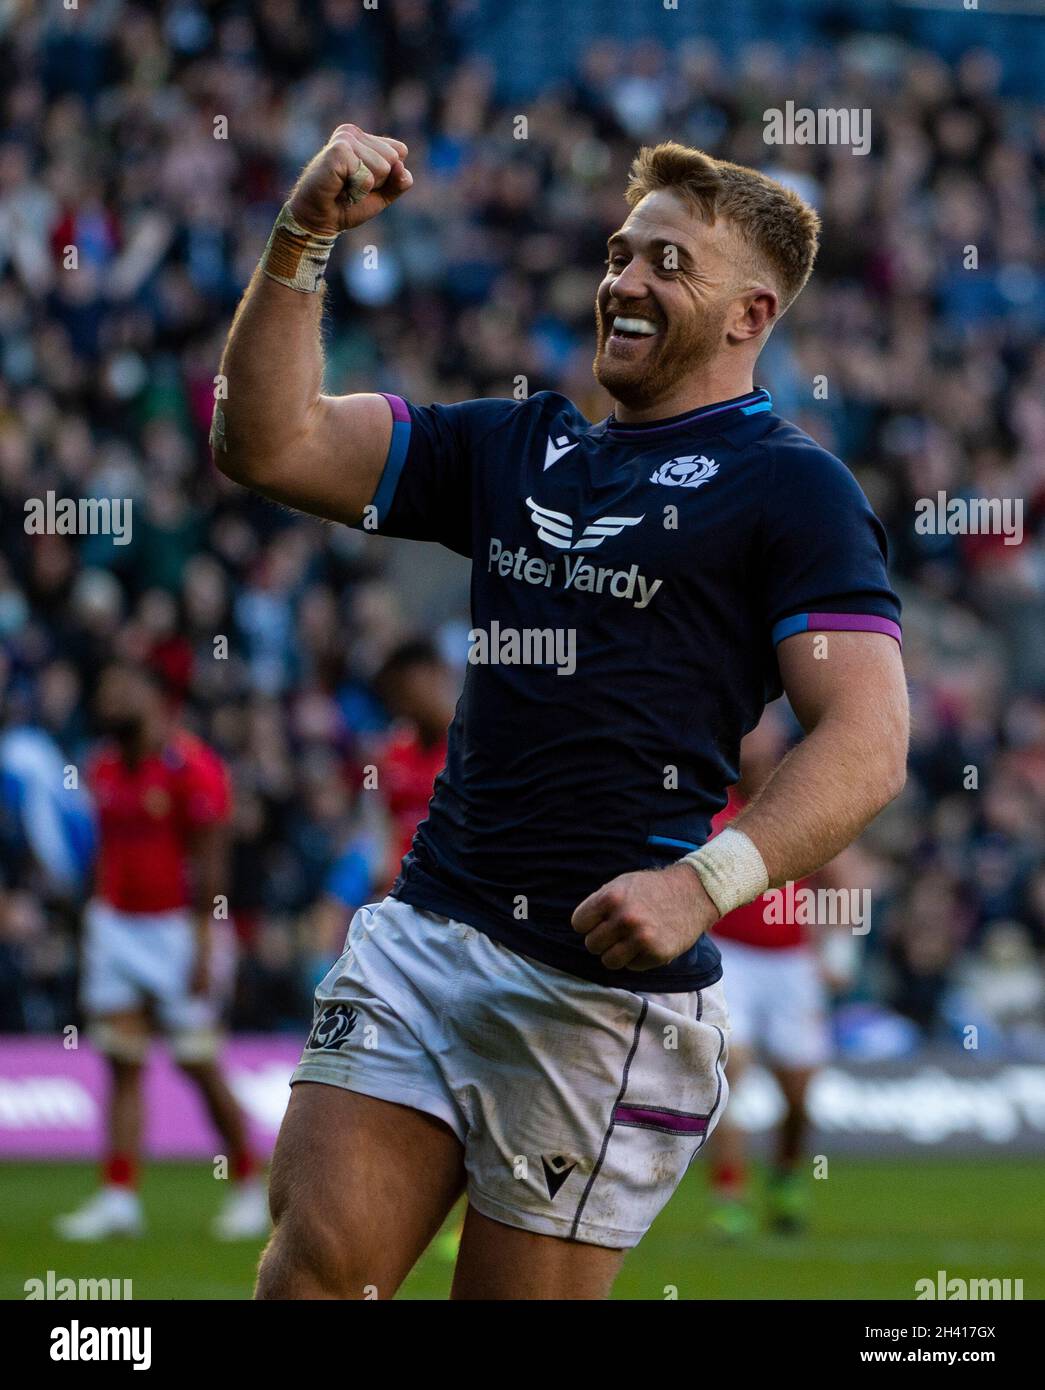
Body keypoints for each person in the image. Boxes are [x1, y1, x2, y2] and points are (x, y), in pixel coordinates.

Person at [214, 126, 908, 1299]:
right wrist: (302, 238)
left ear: (748, 316)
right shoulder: (514, 445)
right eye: (621, 254)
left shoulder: (794, 487)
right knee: (308, 1283)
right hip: (428, 937)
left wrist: (703, 883)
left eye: (668, 265)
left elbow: (867, 737)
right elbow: (265, 440)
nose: (626, 282)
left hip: (597, 999)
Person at [56, 663, 267, 1242]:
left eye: (121, 687)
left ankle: (249, 1185)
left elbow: (211, 860)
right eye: (106, 688)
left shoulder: (191, 766)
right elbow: (104, 849)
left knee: (196, 1061)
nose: (109, 696)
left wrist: (206, 942)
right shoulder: (102, 765)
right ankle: (120, 1196)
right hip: (116, 925)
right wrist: (95, 920)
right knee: (121, 1059)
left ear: (155, 700)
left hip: (179, 930)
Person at [704, 705, 862, 1238]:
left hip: (791, 961)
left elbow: (841, 880)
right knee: (730, 1072)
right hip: (729, 958)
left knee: (798, 1094)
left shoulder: (800, 808)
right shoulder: (711, 809)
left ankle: (788, 1176)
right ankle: (730, 1194)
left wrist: (838, 953)